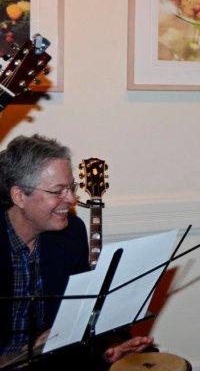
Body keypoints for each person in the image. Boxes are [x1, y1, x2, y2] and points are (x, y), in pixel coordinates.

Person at [0, 134, 154, 370]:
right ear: (19, 196)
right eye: (58, 191)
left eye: (71, 188)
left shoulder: (70, 233)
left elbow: (80, 316)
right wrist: (24, 353)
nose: (71, 199)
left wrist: (106, 351)